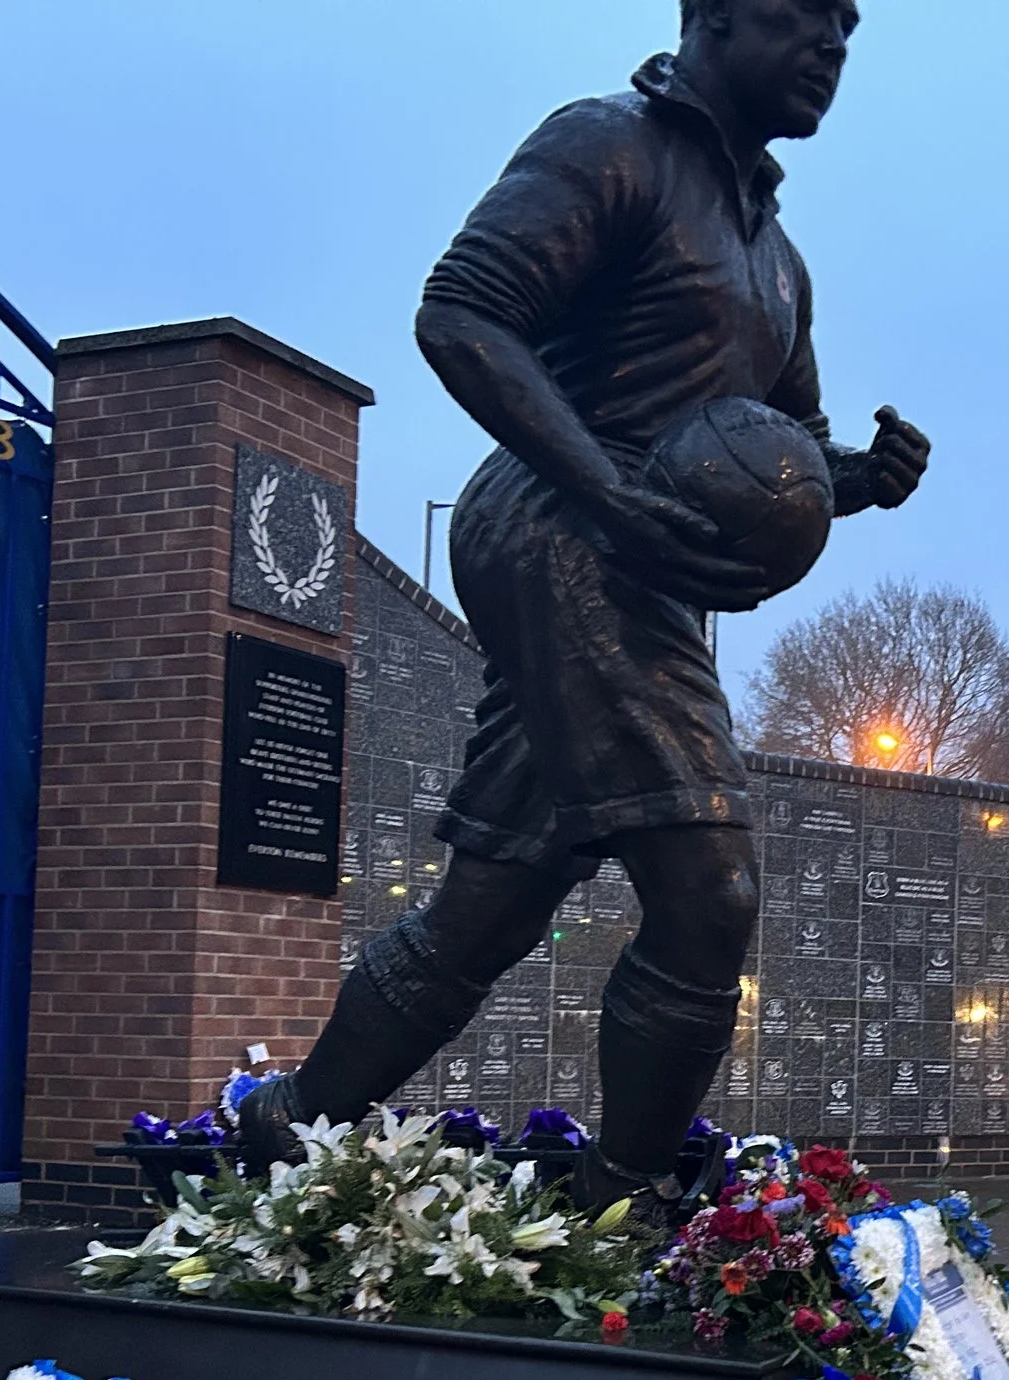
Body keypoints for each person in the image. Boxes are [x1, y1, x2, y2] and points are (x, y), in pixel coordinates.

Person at [239, 0, 930, 1221]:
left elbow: (791, 453)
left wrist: (860, 481)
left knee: (493, 896)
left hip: (634, 563)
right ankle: (623, 1210)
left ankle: (288, 1130)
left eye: (849, 28)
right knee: (708, 889)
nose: (831, 45)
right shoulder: (609, 144)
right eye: (802, 14)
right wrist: (606, 487)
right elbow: (461, 311)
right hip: (560, 533)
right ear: (713, 15)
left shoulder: (776, 255)